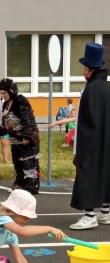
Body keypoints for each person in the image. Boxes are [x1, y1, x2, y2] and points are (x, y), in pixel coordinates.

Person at [69, 42, 110, 230]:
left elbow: (87, 119)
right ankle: (105, 212)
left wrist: (79, 148)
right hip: (106, 140)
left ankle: (89, 215)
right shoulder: (107, 87)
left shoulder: (90, 89)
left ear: (87, 69)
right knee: (105, 172)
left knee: (87, 174)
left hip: (91, 141)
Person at [0, 78, 40, 195]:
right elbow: (6, 123)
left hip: (25, 140)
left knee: (28, 162)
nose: (3, 96)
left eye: (4, 93)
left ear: (11, 91)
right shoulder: (6, 105)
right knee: (17, 163)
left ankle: (32, 184)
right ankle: (21, 182)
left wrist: (27, 136)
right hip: (14, 140)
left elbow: (28, 119)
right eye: (1, 94)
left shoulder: (21, 101)